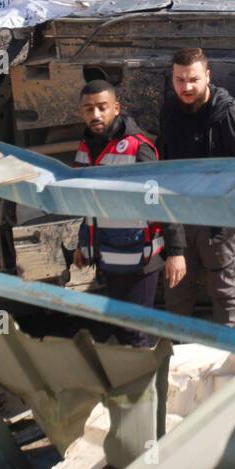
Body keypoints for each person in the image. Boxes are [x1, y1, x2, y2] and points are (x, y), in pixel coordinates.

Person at [158, 49, 235, 327]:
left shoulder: (229, 115)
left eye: (193, 79)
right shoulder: (170, 108)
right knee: (176, 291)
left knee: (224, 291)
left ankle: (225, 353)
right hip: (181, 217)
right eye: (179, 80)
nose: (186, 87)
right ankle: (176, 355)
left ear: (208, 76)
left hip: (221, 220)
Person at [70, 80, 170, 347]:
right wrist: (82, 243)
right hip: (109, 256)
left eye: (102, 108)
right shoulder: (85, 148)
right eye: (89, 109)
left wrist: (178, 252)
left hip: (141, 259)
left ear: (116, 108)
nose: (96, 115)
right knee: (122, 329)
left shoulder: (139, 148)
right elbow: (86, 204)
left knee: (135, 332)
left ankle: (148, 386)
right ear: (81, 112)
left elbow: (164, 201)